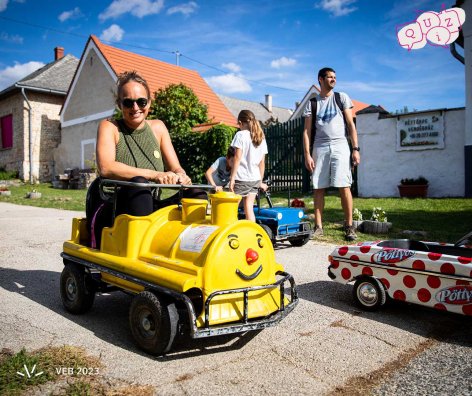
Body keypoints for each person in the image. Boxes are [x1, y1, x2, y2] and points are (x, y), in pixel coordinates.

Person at [89, 70, 203, 248]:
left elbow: (176, 167)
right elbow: (106, 167)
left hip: (148, 206)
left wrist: (182, 176)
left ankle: (190, 248)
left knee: (197, 194)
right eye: (128, 102)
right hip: (116, 209)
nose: (135, 108)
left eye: (141, 101)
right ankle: (144, 252)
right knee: (139, 187)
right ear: (120, 104)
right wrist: (155, 175)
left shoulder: (158, 128)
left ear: (149, 102)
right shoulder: (109, 126)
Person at [302, 67, 360, 241]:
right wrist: (307, 154)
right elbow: (306, 132)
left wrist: (355, 149)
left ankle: (349, 226)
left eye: (335, 77)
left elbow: (350, 125)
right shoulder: (312, 103)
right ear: (321, 79)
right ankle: (318, 227)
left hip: (340, 145)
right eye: (330, 77)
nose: (333, 79)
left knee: (344, 186)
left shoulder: (341, 97)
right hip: (319, 147)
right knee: (318, 187)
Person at [229, 110, 268, 222]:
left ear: (240, 123)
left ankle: (232, 235)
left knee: (231, 209)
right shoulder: (261, 137)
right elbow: (262, 163)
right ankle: (251, 236)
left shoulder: (240, 135)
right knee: (249, 210)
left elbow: (237, 158)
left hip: (242, 178)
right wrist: (260, 181)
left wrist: (232, 179)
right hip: (254, 179)